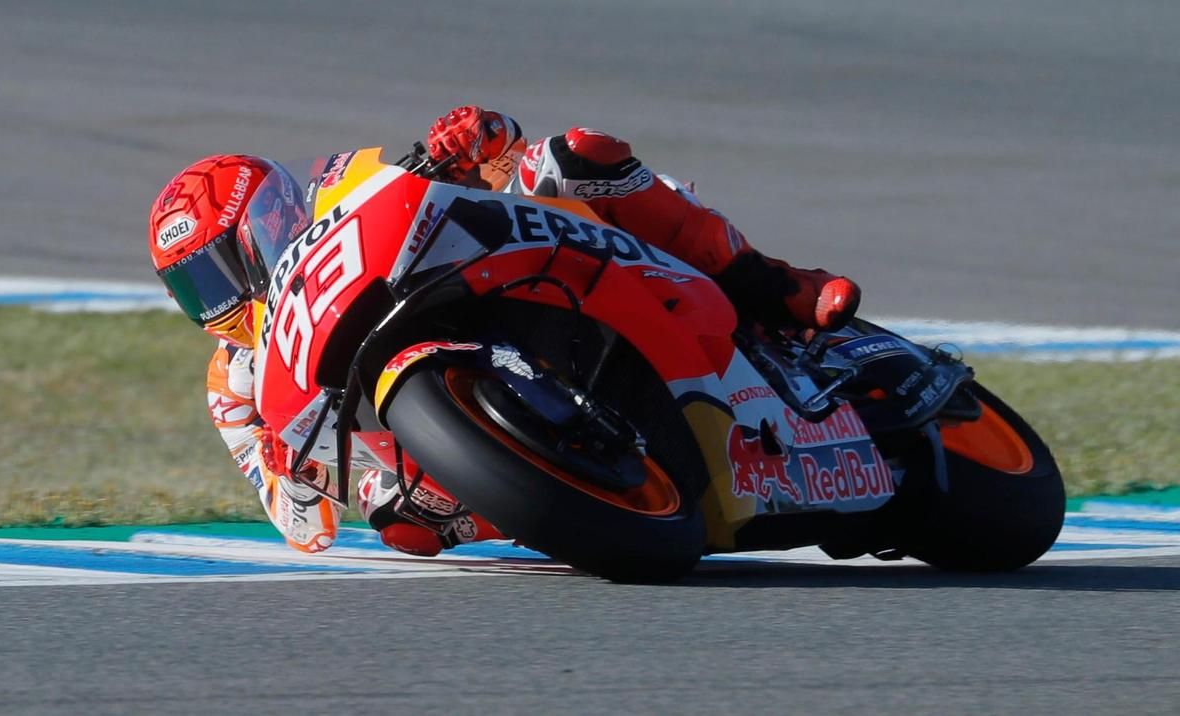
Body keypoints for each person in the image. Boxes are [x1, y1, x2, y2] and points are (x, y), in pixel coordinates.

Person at [146, 107, 861, 556]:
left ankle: (774, 283)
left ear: (268, 224)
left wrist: (469, 143)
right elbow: (304, 530)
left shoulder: (340, 185)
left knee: (573, 156)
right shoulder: (233, 387)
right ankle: (574, 488)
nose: (215, 304)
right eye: (192, 289)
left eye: (218, 270)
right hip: (425, 449)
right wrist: (291, 468)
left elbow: (484, 160)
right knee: (404, 525)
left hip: (508, 274)